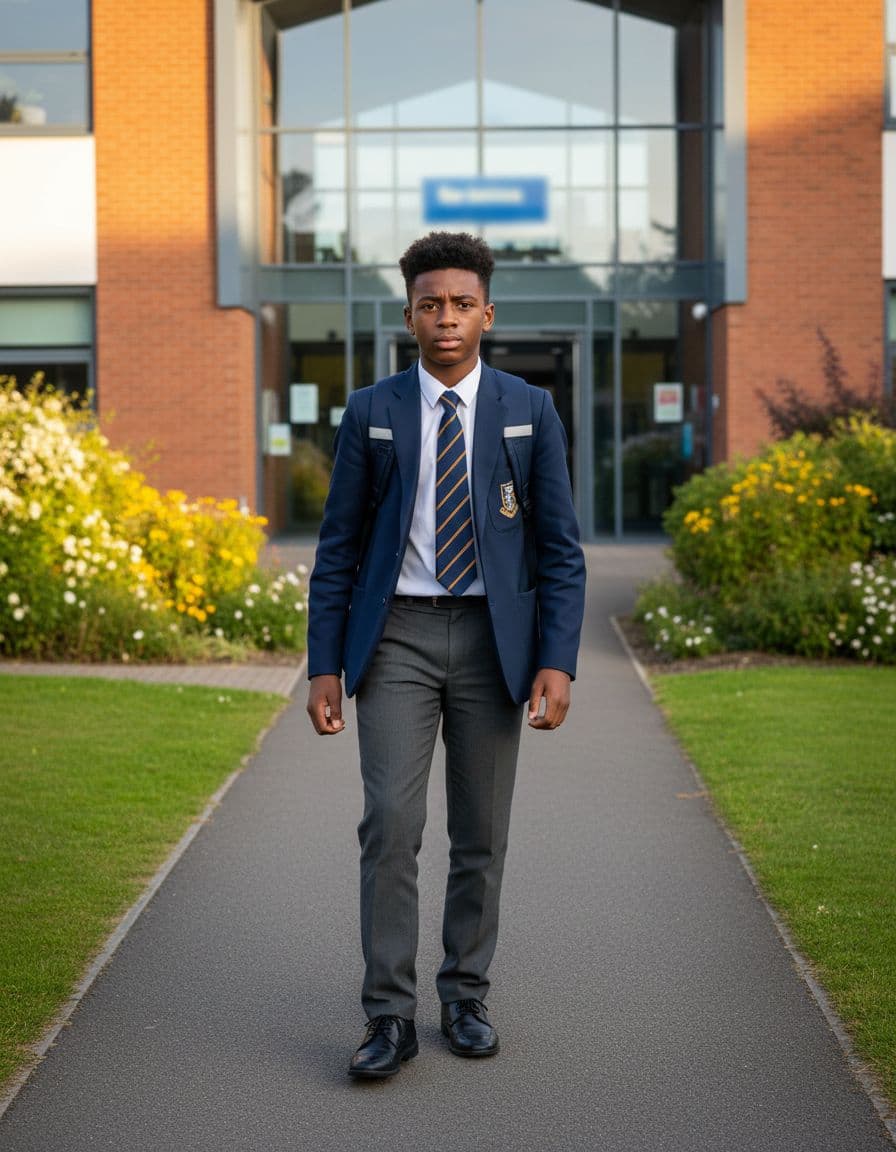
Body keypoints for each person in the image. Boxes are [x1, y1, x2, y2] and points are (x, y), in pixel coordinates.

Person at [306, 231, 586, 1079]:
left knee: (481, 833)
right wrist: (325, 663)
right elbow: (339, 546)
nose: (447, 318)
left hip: (496, 643)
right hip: (396, 638)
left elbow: (560, 549)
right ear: (410, 315)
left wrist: (558, 659)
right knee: (390, 824)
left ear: (487, 313)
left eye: (462, 303)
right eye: (431, 304)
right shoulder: (372, 411)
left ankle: (464, 996)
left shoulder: (528, 410)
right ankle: (388, 1015)